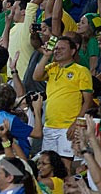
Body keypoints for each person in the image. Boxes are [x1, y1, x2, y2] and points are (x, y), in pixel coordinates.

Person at [33, 36, 93, 170]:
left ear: (72, 51)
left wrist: (76, 123)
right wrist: (45, 56)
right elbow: (36, 76)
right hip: (49, 125)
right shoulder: (52, 67)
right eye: (56, 48)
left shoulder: (81, 71)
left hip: (68, 127)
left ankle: (68, 190)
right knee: (47, 166)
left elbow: (88, 102)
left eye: (62, 48)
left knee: (65, 166)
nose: (57, 51)